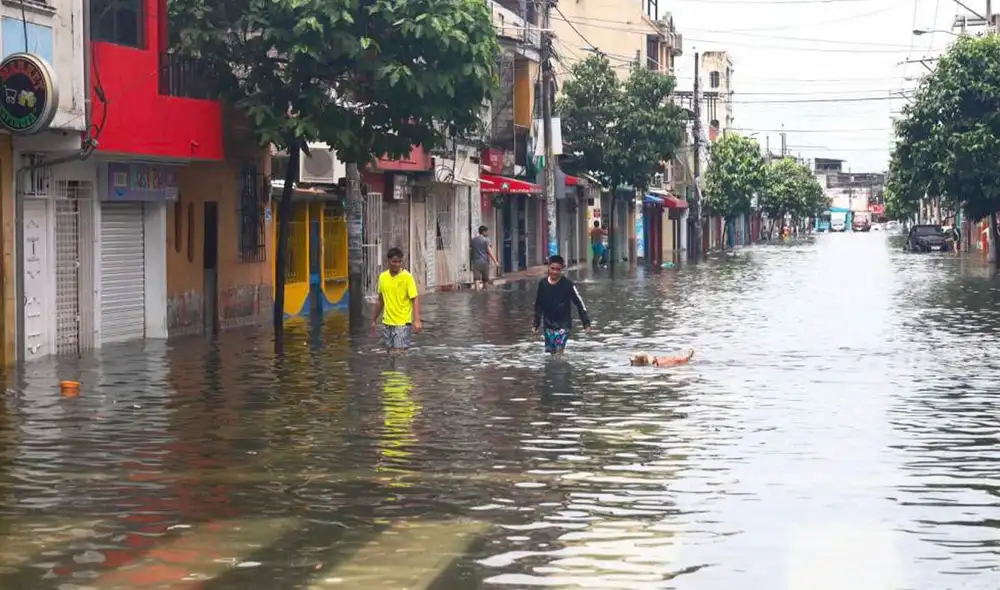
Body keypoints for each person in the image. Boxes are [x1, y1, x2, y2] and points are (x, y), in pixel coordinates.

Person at [532, 255, 591, 354]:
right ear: (548, 267)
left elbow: (579, 303)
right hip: (548, 324)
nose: (555, 272)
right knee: (550, 352)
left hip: (563, 325)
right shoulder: (543, 284)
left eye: (558, 269)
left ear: (562, 269)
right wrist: (536, 323)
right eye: (553, 269)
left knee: (559, 351)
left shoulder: (567, 284)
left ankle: (561, 363)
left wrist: (586, 323)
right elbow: (539, 305)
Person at [371, 247, 422, 353]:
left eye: (399, 262)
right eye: (394, 261)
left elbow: (415, 298)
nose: (397, 264)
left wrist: (417, 320)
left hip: (402, 323)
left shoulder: (407, 277)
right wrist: (374, 320)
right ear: (388, 261)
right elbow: (380, 300)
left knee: (399, 353)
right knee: (389, 353)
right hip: (387, 323)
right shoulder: (383, 277)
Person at [470, 225, 500, 290]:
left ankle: (477, 293)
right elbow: (489, 252)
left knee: (477, 279)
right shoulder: (486, 240)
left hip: (476, 262)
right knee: (485, 280)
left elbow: (471, 252)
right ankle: (485, 294)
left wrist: (471, 263)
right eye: (486, 231)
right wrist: (495, 262)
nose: (487, 233)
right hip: (484, 262)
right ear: (483, 232)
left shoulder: (473, 240)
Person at [630, 350, 695, 367]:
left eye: (636, 357)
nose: (632, 359)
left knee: (672, 360)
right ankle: (687, 357)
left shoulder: (651, 362)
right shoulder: (649, 359)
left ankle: (686, 358)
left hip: (657, 362)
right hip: (654, 360)